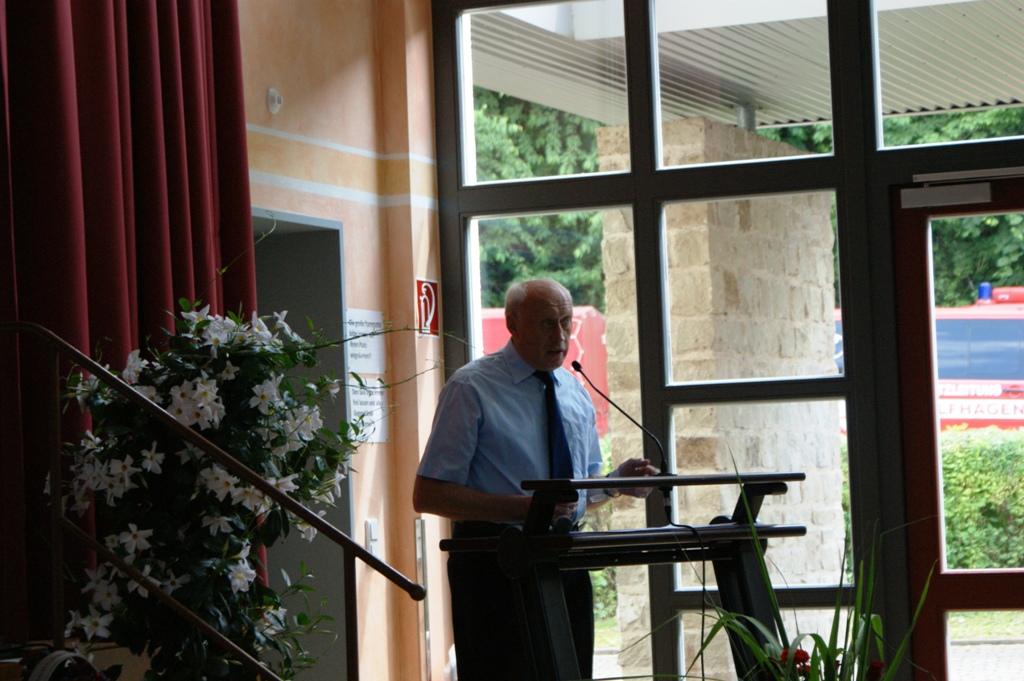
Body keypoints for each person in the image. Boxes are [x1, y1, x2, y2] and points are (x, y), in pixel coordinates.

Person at [413, 278, 659, 681]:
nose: (560, 336)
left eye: (565, 322)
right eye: (546, 323)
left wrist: (614, 483)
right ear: (512, 324)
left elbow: (576, 494)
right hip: (496, 565)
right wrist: (523, 508)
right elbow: (428, 495)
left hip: (565, 560)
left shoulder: (574, 391)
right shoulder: (471, 388)